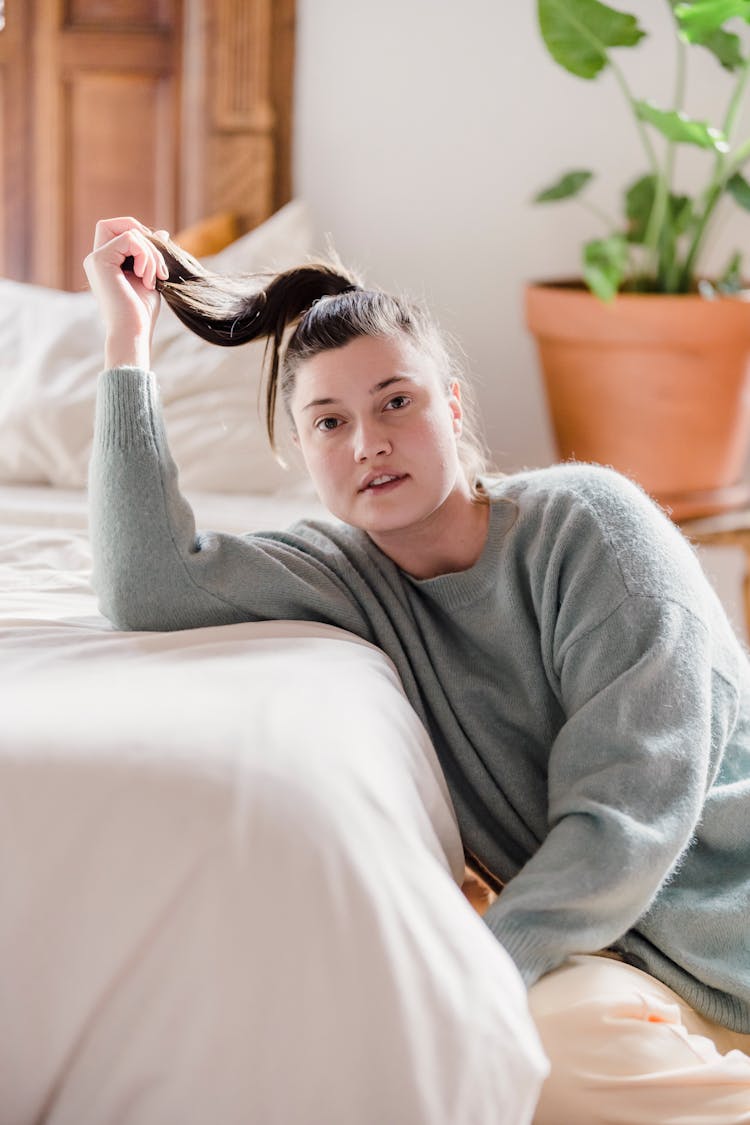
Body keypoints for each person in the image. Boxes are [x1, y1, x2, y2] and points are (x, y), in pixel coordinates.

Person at [85, 216, 750, 1124]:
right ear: (302, 450)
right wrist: (127, 347)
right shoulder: (344, 575)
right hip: (607, 952)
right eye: (330, 421)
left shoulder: (593, 526)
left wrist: (468, 973)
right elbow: (147, 582)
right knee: (543, 1058)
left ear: (456, 408)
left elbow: (624, 817)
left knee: (506, 1032)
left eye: (398, 401)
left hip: (726, 930)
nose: (369, 442)